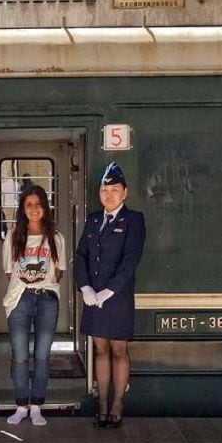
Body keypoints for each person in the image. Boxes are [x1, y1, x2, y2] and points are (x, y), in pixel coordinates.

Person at [75, 162, 146, 428]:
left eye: (114, 190)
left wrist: (109, 291)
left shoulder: (134, 220)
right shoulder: (94, 219)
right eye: (105, 190)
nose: (109, 194)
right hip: (94, 297)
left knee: (118, 350)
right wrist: (85, 287)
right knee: (100, 349)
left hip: (117, 298)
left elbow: (130, 260)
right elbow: (81, 255)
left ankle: (117, 403)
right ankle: (102, 403)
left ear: (125, 192)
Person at [2, 185, 66, 426]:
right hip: (20, 299)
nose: (34, 209)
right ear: (22, 208)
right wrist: (27, 285)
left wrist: (42, 284)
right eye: (28, 205)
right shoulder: (13, 236)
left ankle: (37, 405)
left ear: (45, 207)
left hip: (47, 299)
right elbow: (9, 272)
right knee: (19, 356)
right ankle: (21, 405)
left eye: (38, 204)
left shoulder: (56, 237)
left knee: (42, 355)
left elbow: (58, 272)